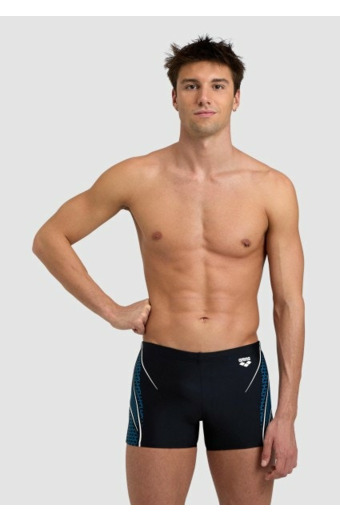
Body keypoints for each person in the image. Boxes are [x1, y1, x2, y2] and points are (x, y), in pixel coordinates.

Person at [32, 35, 305, 505]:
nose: (204, 97)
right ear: (174, 97)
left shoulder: (272, 188)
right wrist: (112, 311)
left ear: (237, 98)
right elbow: (49, 238)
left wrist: (287, 416)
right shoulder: (137, 176)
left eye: (218, 86)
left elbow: (288, 304)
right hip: (163, 373)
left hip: (239, 376)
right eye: (191, 85)